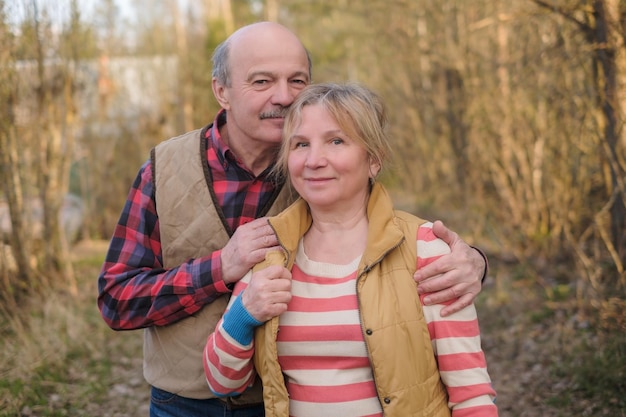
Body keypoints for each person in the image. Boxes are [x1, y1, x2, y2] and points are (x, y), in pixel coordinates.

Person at [97, 22, 488, 417]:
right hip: (186, 403)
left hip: (278, 403)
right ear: (222, 91)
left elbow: (389, 237)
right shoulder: (164, 170)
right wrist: (222, 268)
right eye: (262, 81)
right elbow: (116, 300)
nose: (283, 97)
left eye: (297, 80)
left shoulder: (317, 174)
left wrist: (472, 260)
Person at [204, 82, 498, 417]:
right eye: (301, 144)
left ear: (373, 160)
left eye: (336, 141)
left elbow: (471, 395)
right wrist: (245, 313)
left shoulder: (424, 248)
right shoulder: (270, 251)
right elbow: (222, 383)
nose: (314, 160)